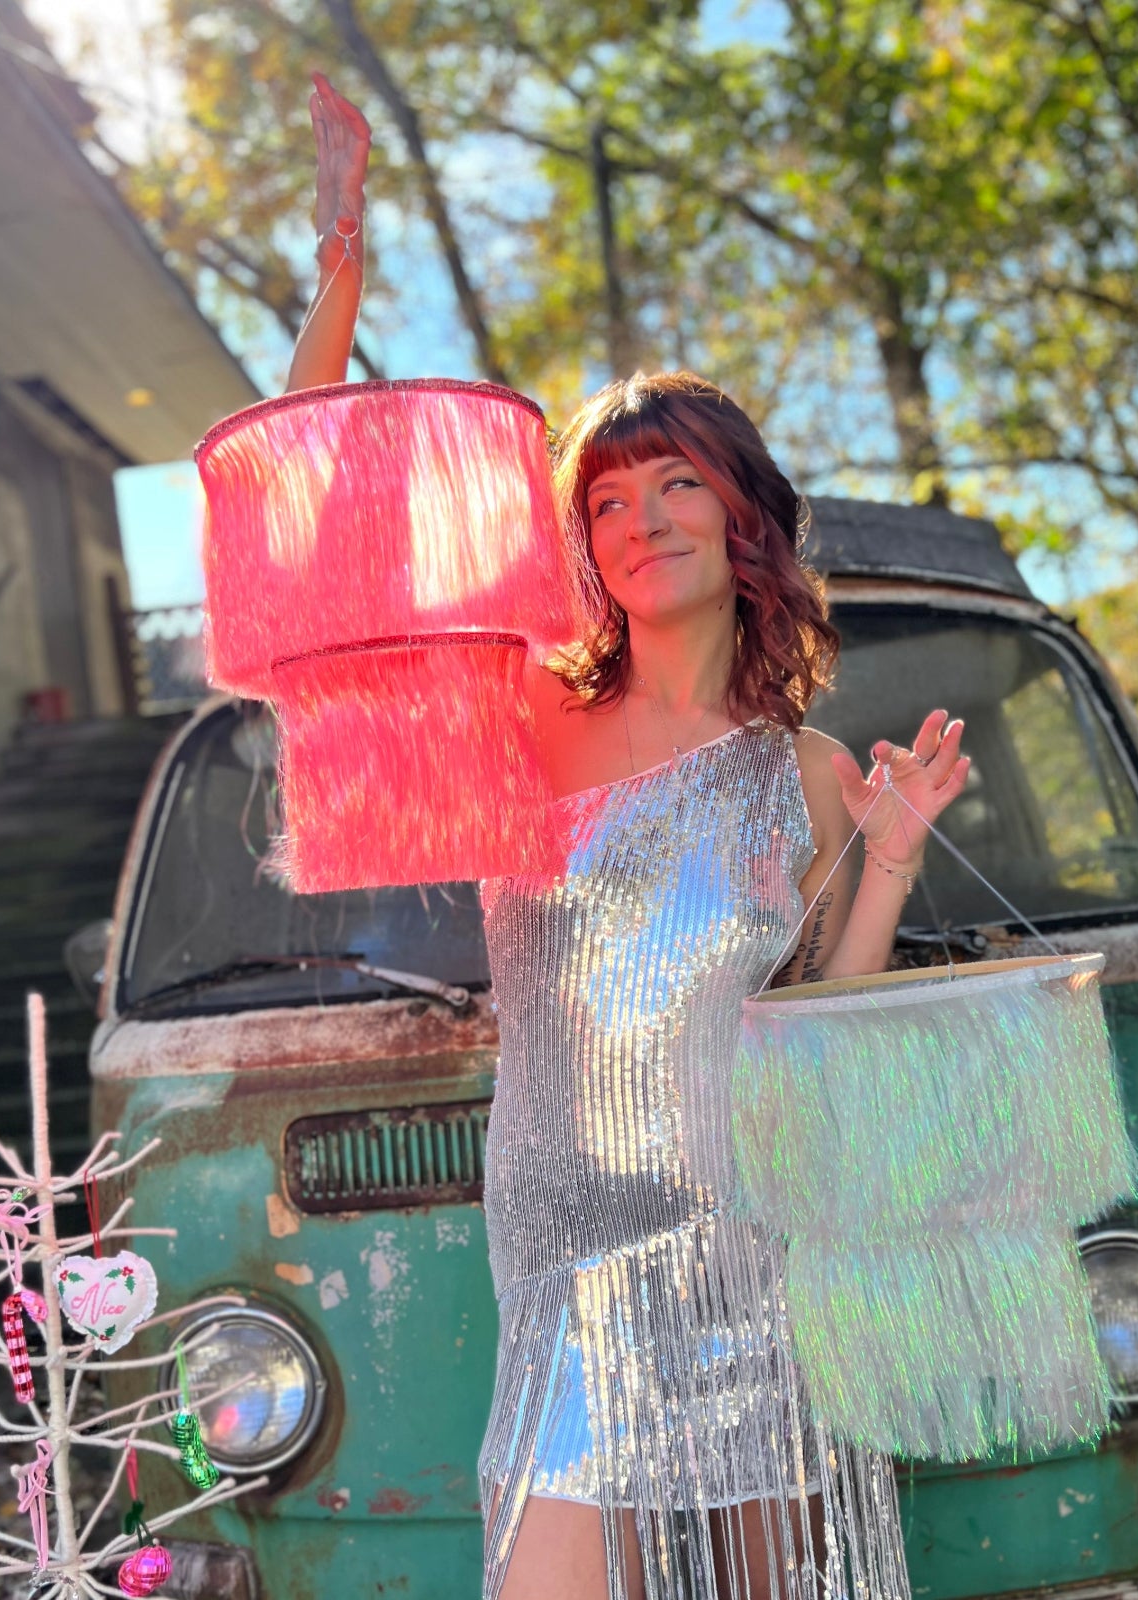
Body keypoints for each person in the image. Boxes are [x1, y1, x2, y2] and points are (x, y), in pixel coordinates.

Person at [288, 74, 971, 1600]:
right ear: (581, 551)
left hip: (765, 1251)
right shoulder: (521, 718)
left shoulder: (796, 769)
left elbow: (817, 1035)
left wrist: (896, 860)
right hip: (576, 1257)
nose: (643, 519)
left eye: (679, 485)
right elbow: (325, 554)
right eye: (605, 502)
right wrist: (335, 282)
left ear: (744, 526)